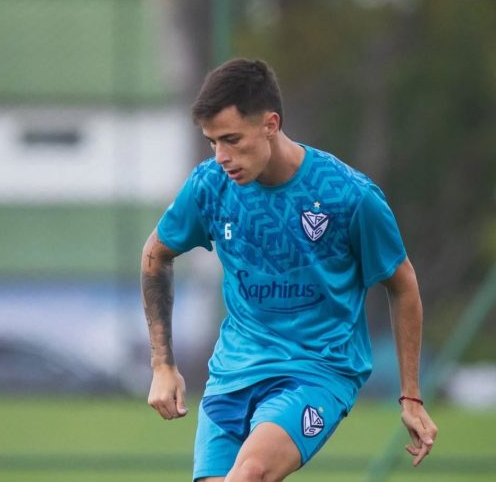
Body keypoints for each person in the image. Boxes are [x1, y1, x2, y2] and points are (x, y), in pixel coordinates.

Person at [140, 58, 437, 482]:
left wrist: (411, 395)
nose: (222, 156)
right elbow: (155, 256)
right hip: (232, 375)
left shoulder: (348, 196)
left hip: (316, 371)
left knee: (250, 473)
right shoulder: (210, 186)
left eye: (231, 139)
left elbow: (403, 286)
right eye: (212, 143)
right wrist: (162, 365)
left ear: (270, 124)